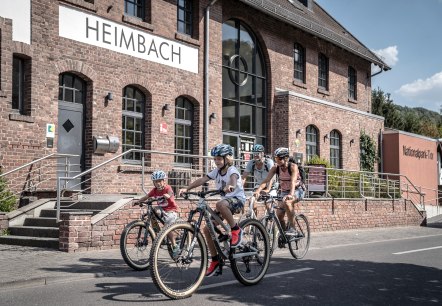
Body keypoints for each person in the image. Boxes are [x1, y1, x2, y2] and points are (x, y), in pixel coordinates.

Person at [179, 144, 246, 277]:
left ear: (227, 158)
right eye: (215, 159)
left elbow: (233, 180)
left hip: (237, 201)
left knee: (220, 204)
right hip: (225, 204)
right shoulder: (216, 171)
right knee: (206, 229)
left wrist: (230, 186)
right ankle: (215, 260)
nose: (217, 161)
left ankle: (235, 230)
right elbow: (203, 179)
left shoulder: (232, 170)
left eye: (219, 159)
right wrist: (187, 188)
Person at [254, 147, 305, 236]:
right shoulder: (275, 167)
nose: (277, 161)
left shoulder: (293, 167)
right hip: (284, 191)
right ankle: (285, 234)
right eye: (276, 158)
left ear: (286, 158)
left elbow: (293, 182)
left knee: (288, 202)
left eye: (279, 158)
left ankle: (293, 229)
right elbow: (267, 180)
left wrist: (291, 195)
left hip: (298, 190)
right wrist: (258, 191)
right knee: (279, 215)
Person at [135, 170, 179, 255]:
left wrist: (168, 195)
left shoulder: (167, 188)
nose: (158, 183)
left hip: (171, 211)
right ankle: (157, 232)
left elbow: (170, 192)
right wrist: (138, 201)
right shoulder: (154, 190)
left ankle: (174, 245)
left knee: (167, 227)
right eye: (155, 182)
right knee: (152, 210)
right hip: (162, 210)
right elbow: (146, 196)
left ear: (163, 181)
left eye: (159, 181)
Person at [241, 144, 276, 217]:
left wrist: (268, 189)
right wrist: (240, 188)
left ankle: (271, 222)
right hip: (259, 185)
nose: (255, 155)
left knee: (268, 204)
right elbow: (244, 177)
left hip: (271, 186)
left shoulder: (268, 162)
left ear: (262, 154)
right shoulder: (251, 163)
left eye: (257, 153)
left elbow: (272, 177)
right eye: (254, 153)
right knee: (251, 201)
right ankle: (255, 224)